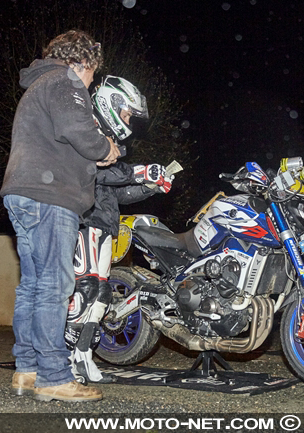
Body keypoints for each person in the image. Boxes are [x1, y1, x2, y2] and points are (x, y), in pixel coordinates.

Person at [0, 30, 120, 402]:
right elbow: (76, 129)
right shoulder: (65, 80)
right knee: (55, 285)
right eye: (92, 75)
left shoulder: (37, 85)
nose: (91, 82)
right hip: (51, 196)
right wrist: (105, 149)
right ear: (83, 63)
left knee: (34, 286)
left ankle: (27, 369)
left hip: (24, 192)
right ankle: (54, 375)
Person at [64, 76, 173, 384]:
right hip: (83, 219)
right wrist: (140, 172)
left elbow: (116, 191)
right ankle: (62, 357)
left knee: (100, 292)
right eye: (126, 114)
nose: (127, 121)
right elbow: (95, 174)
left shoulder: (108, 142)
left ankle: (82, 356)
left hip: (103, 224)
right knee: (83, 290)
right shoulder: (88, 132)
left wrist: (150, 187)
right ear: (112, 104)